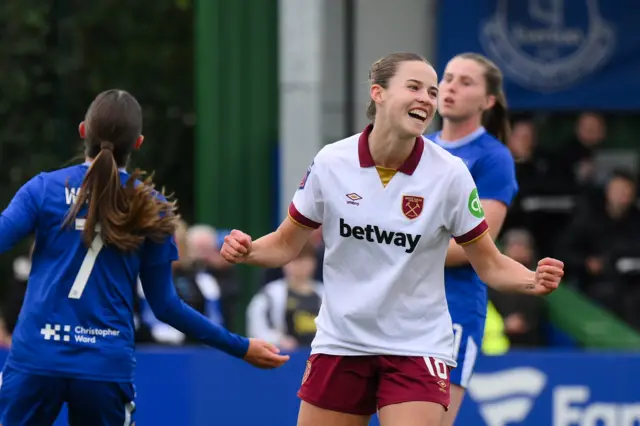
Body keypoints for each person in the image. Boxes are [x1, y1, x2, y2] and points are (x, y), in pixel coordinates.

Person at [221, 52, 564, 426]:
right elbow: (286, 244)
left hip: (416, 347)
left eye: (431, 92)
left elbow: (490, 262)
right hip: (341, 343)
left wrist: (532, 278)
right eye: (414, 87)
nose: (428, 99)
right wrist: (249, 250)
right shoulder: (332, 161)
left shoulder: (450, 174)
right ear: (378, 94)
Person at [0, 89, 289, 426]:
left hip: (37, 358)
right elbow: (166, 305)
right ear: (138, 143)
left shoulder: (43, 189)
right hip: (104, 366)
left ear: (83, 131)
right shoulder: (149, 204)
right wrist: (239, 346)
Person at [426, 52, 519, 425]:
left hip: (453, 308)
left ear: (488, 101)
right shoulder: (417, 148)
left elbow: (475, 247)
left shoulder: (494, 158)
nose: (451, 88)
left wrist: (399, 250)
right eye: (447, 78)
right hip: (398, 303)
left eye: (466, 82)